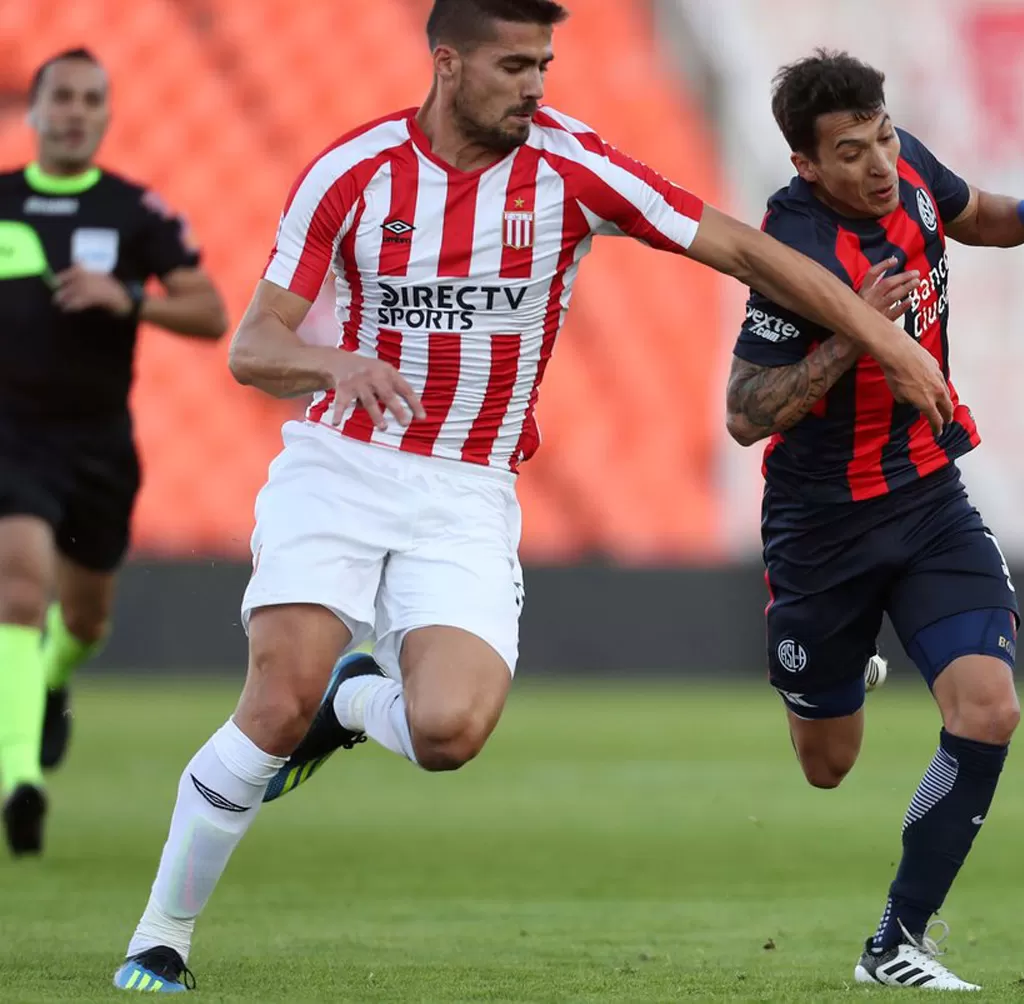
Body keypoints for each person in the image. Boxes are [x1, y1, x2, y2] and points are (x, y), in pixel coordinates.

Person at [111, 1, 953, 993]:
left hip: (469, 485)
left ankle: (358, 696)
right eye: (513, 65)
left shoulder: (571, 166)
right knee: (279, 688)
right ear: (447, 63)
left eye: (544, 64)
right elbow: (254, 344)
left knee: (450, 732)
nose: (534, 85)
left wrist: (887, 337)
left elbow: (742, 250)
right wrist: (334, 362)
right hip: (341, 466)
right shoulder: (352, 173)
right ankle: (161, 935)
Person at [726, 51, 1024, 991]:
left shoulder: (912, 173)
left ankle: (897, 941)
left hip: (930, 495)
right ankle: (847, 663)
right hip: (821, 528)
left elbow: (974, 215)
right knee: (827, 765)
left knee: (990, 708)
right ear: (808, 166)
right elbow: (744, 412)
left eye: (883, 137)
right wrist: (859, 335)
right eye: (850, 152)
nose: (879, 164)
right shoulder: (795, 248)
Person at [0, 49, 227, 858]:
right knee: (18, 589)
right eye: (62, 97)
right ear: (33, 110)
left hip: (97, 441)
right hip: (10, 435)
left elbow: (209, 313)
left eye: (92, 99)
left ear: (106, 114)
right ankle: (18, 778)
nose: (75, 112)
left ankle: (54, 677)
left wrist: (128, 297)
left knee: (85, 618)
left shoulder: (136, 212)